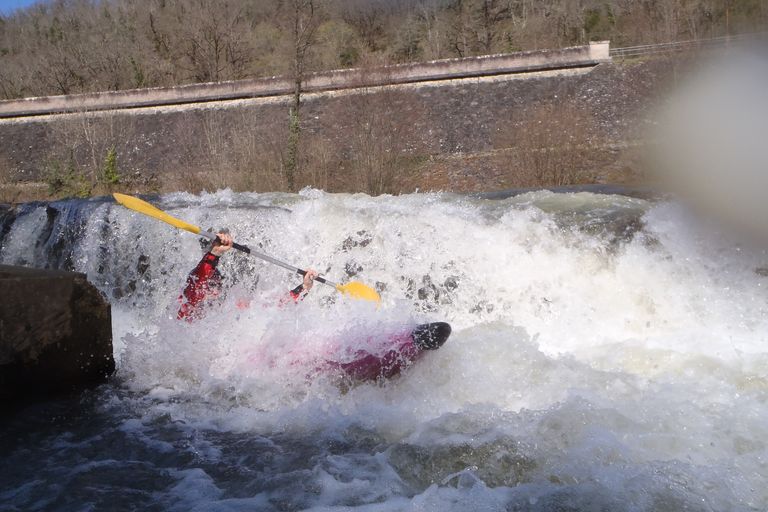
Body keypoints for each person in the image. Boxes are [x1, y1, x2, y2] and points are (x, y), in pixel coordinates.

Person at [177, 231, 318, 321]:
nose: (213, 292)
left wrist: (304, 287)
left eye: (216, 286)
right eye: (210, 286)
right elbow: (197, 281)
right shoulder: (187, 307)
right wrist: (214, 253)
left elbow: (274, 309)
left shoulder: (229, 308)